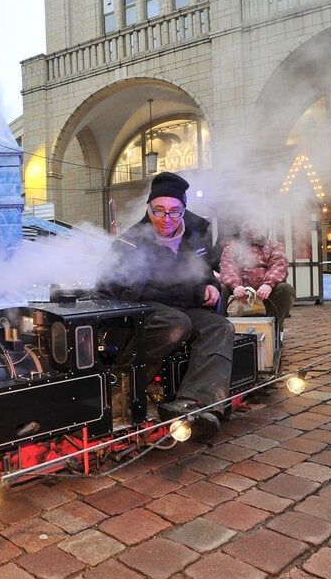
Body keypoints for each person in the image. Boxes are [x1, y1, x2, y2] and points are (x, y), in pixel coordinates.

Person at [96, 172, 234, 442]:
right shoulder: (129, 241)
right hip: (145, 306)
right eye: (158, 211)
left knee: (220, 327)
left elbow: (206, 272)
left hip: (186, 304)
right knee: (175, 323)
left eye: (174, 212)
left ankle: (196, 403)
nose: (166, 219)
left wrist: (211, 287)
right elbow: (104, 286)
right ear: (148, 208)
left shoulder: (198, 231)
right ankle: (122, 386)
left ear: (183, 209)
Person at [218, 219, 295, 324]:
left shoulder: (274, 246)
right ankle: (223, 326)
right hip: (238, 290)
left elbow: (279, 266)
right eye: (247, 225)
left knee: (285, 289)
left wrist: (268, 284)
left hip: (266, 291)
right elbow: (227, 267)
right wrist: (235, 285)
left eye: (254, 224)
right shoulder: (231, 248)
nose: (250, 228)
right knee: (221, 288)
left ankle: (274, 326)